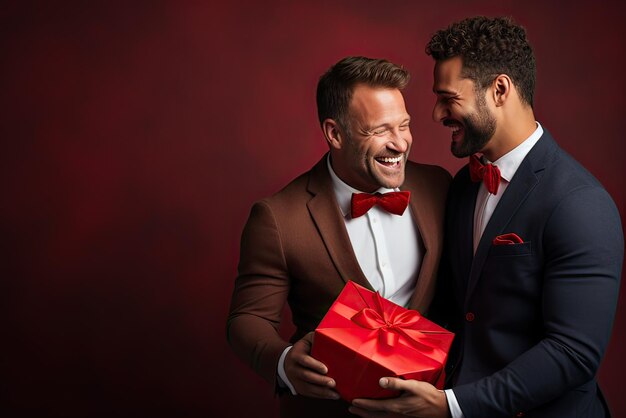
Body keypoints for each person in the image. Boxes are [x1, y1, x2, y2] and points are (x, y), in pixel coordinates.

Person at [350, 16, 623, 418]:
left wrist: (453, 406)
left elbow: (573, 353)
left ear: (499, 90)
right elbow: (456, 310)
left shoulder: (580, 203)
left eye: (448, 98)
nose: (436, 114)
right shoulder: (463, 186)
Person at [226, 56, 451, 418]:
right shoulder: (277, 217)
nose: (400, 144)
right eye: (380, 131)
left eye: (404, 125)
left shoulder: (439, 186)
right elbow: (248, 319)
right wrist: (284, 362)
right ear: (335, 133)